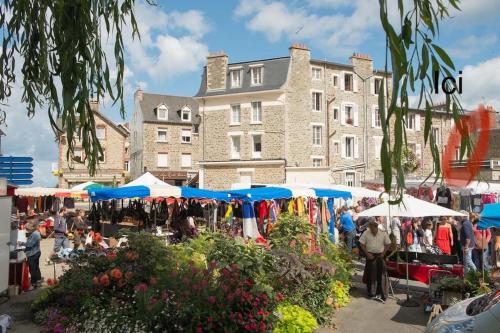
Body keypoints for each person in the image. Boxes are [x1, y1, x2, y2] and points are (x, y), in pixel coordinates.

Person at [359, 218, 392, 302]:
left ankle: (383, 293)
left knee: (382, 274)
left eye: (374, 229)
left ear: (376, 227)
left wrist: (383, 253)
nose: (372, 231)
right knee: (371, 274)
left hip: (380, 255)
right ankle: (372, 292)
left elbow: (388, 244)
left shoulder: (383, 233)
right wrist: (367, 254)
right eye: (371, 229)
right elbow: (362, 244)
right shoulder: (366, 233)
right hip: (370, 255)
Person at [18, 217, 42, 290]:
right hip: (36, 252)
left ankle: (33, 284)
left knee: (32, 269)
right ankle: (38, 280)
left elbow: (29, 244)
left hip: (33, 253)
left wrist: (21, 243)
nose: (26, 230)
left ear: (31, 229)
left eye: (27, 229)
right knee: (36, 267)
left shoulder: (34, 234)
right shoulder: (35, 233)